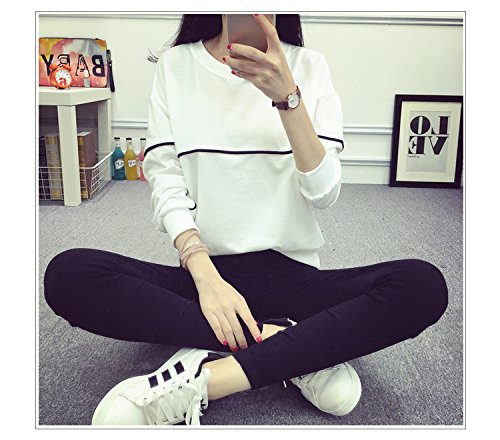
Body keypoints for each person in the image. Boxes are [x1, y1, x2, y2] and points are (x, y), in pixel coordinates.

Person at [43, 14, 449, 426]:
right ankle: (294, 347)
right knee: (69, 275)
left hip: (295, 279)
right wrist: (205, 276)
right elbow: (166, 180)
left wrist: (288, 98)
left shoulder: (309, 67)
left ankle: (205, 381)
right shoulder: (177, 66)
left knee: (421, 286)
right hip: (205, 280)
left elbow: (324, 193)